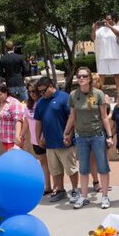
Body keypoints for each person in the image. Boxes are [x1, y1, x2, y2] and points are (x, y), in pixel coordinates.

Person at [64, 67, 113, 209]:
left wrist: (109, 136)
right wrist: (66, 133)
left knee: (103, 167)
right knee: (83, 168)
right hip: (81, 136)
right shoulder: (73, 95)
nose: (81, 79)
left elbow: (104, 117)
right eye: (79, 76)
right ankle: (84, 196)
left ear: (90, 78)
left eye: (84, 76)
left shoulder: (98, 94)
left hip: (97, 135)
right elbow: (72, 116)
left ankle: (104, 196)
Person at [34, 76, 80, 204]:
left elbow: (73, 118)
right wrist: (38, 138)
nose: (42, 94)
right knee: (55, 170)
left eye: (44, 91)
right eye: (40, 92)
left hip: (65, 142)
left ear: (51, 86)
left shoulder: (64, 98)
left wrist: (69, 135)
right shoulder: (41, 103)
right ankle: (60, 190)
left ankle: (75, 189)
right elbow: (38, 121)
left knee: (71, 168)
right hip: (50, 143)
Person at [25, 83, 52, 194]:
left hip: (46, 139)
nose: (32, 94)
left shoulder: (44, 103)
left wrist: (43, 137)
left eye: (34, 91)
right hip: (35, 140)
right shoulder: (29, 105)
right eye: (29, 92)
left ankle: (57, 187)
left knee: (53, 163)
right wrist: (21, 135)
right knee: (43, 163)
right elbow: (26, 122)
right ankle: (48, 186)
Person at [92, 13, 119, 97]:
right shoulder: (101, 30)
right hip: (103, 56)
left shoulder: (117, 27)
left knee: (117, 75)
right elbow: (93, 38)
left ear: (113, 19)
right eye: (106, 19)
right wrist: (94, 29)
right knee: (101, 76)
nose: (107, 21)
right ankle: (98, 96)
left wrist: (110, 26)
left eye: (109, 19)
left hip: (115, 55)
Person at [0, 83, 25, 153]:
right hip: (3, 138)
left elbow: (18, 120)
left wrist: (17, 136)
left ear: (6, 93)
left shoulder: (13, 103)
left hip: (12, 138)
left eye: (0, 95)